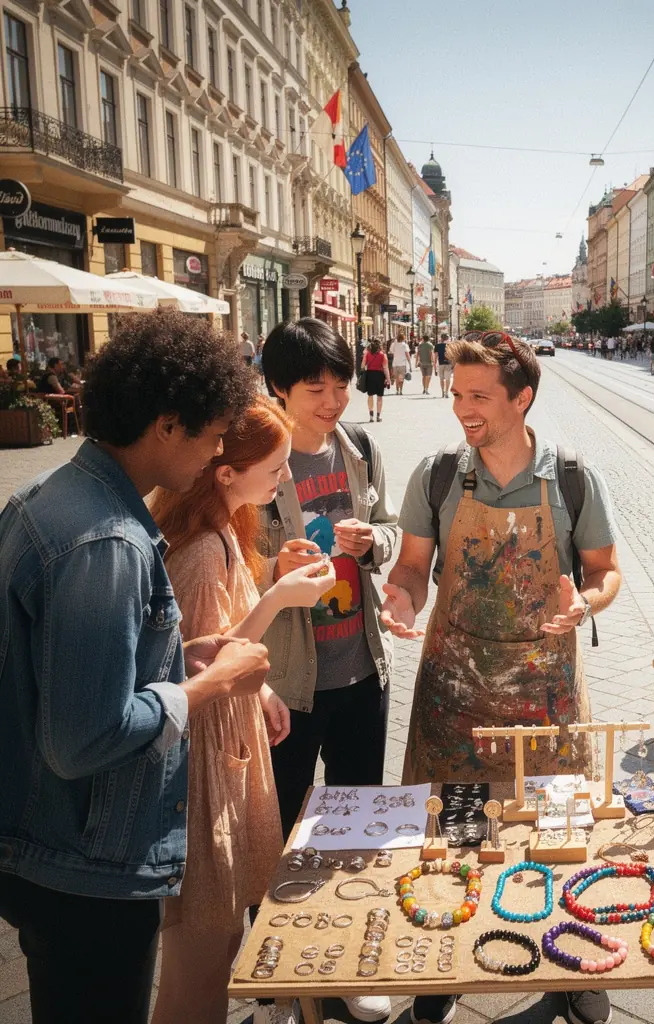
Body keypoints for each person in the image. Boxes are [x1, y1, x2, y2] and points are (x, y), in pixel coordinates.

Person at [0, 310, 270, 1024]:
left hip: (44, 845)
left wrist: (179, 659)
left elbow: (61, 670)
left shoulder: (49, 495)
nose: (219, 452)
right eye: (214, 434)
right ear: (168, 425)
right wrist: (207, 686)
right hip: (84, 864)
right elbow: (85, 737)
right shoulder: (107, 540)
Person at [381, 331, 621, 1024]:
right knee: (452, 838)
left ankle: (570, 966)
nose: (463, 408)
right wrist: (401, 599)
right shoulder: (437, 474)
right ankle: (441, 965)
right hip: (454, 696)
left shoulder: (571, 477)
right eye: (458, 394)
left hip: (547, 697)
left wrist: (585, 602)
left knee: (555, 832)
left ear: (523, 398)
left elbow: (605, 570)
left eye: (480, 396)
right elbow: (412, 568)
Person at [148, 398, 336, 1024]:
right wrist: (280, 597)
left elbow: (216, 642)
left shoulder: (224, 526)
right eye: (276, 468)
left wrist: (262, 690)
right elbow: (211, 666)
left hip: (223, 745)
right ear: (226, 472)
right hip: (202, 766)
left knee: (222, 941)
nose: (286, 477)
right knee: (202, 955)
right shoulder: (204, 549)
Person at [258, 319, 398, 1024]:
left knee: (357, 827)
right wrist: (272, 569)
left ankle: (348, 964)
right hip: (287, 683)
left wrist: (375, 542)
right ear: (278, 388)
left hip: (361, 671)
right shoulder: (257, 457)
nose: (334, 398)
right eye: (315, 387)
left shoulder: (360, 448)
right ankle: (281, 982)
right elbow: (223, 564)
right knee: (281, 833)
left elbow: (393, 529)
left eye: (341, 383)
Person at [361, 338, 390, 423]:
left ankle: (371, 416)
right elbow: (385, 368)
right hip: (380, 376)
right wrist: (388, 380)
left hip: (370, 375)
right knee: (379, 397)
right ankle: (378, 416)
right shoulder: (383, 355)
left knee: (370, 395)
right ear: (380, 345)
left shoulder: (367, 353)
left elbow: (363, 365)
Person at [436, 332, 452, 397]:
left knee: (441, 379)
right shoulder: (450, 345)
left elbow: (435, 357)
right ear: (447, 338)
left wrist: (434, 367)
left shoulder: (437, 346)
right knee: (448, 379)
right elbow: (453, 356)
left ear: (441, 338)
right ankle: (447, 392)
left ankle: (442, 392)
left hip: (440, 364)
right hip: (448, 364)